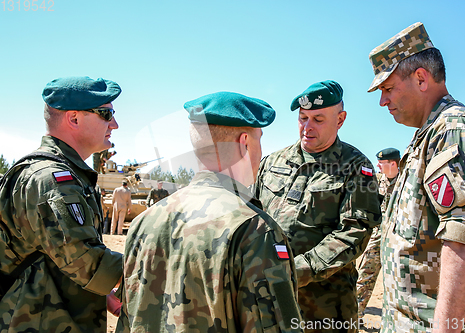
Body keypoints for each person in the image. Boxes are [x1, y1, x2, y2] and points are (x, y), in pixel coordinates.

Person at [116, 91, 302, 332]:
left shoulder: (143, 222)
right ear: (244, 142)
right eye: (259, 139)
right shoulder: (256, 230)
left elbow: (128, 319)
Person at [368, 22, 465, 332]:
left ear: (421, 78)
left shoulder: (455, 131)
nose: (383, 101)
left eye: (387, 88)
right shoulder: (429, 135)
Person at [253, 80, 382, 332]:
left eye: (318, 120)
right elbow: (252, 216)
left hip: (325, 307)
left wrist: (299, 269)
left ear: (340, 119)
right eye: (303, 118)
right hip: (269, 298)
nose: (307, 127)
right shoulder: (272, 161)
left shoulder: (355, 167)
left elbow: (355, 231)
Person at [0, 76, 123, 332]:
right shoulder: (52, 179)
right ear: (74, 118)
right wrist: (154, 259)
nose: (115, 124)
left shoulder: (66, 174)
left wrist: (101, 293)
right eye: (106, 114)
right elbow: (85, 260)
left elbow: (56, 256)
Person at [356, 148, 399, 317]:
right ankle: (357, 314)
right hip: (377, 237)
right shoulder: (378, 180)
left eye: (381, 163)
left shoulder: (407, 181)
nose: (378, 166)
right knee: (365, 274)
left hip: (397, 240)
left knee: (395, 281)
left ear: (393, 163)